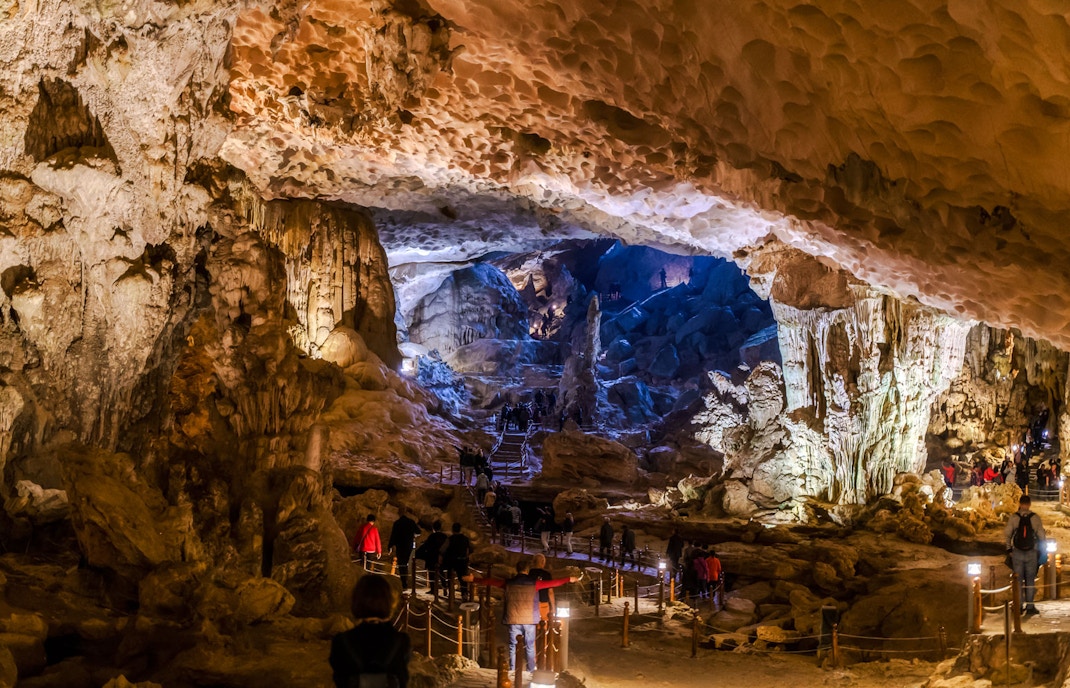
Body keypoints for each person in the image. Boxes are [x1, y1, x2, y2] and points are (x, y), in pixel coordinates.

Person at [468, 557, 578, 672]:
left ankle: (512, 669)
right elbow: (553, 583)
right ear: (527, 570)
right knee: (530, 646)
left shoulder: (509, 583)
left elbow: (491, 581)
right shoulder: (534, 584)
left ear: (517, 570)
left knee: (513, 645)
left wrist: (473, 579)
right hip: (529, 618)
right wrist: (569, 579)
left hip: (513, 618)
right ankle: (531, 669)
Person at [330, 574, 411, 688]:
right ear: (389, 601)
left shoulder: (342, 641)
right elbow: (402, 679)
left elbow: (340, 680)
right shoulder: (401, 641)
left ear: (356, 601)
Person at [1005, 495, 1046, 615]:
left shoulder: (1014, 517)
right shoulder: (1035, 518)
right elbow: (1042, 536)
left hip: (1017, 552)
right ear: (1029, 504)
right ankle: (1030, 606)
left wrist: (1009, 550)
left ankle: (1018, 606)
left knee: (1018, 580)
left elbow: (1007, 534)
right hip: (1031, 552)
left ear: (1019, 503)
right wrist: (1042, 551)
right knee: (1030, 580)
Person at [415, 520, 448, 595]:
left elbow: (426, 546)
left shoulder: (432, 536)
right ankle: (444, 588)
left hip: (432, 558)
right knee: (442, 573)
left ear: (433, 528)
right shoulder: (444, 536)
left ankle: (433, 589)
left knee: (432, 574)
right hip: (441, 558)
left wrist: (417, 553)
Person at [443, 523, 473, 601]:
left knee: (450, 578)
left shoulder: (450, 539)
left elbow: (443, 549)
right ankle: (464, 595)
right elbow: (469, 549)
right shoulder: (465, 539)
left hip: (452, 561)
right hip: (462, 561)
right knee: (463, 579)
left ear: (452, 530)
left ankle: (451, 594)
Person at [388, 510, 421, 581]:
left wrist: (390, 546)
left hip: (400, 546)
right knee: (407, 563)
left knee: (401, 564)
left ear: (399, 514)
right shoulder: (411, 522)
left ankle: (403, 581)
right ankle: (407, 580)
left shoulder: (397, 523)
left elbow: (393, 536)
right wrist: (413, 535)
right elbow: (418, 532)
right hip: (409, 546)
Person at [530, 553, 555, 622]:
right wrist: (553, 607)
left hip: (530, 603)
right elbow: (550, 592)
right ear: (543, 562)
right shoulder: (547, 575)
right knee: (544, 624)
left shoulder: (528, 573)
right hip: (543, 603)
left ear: (533, 562)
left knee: (531, 624)